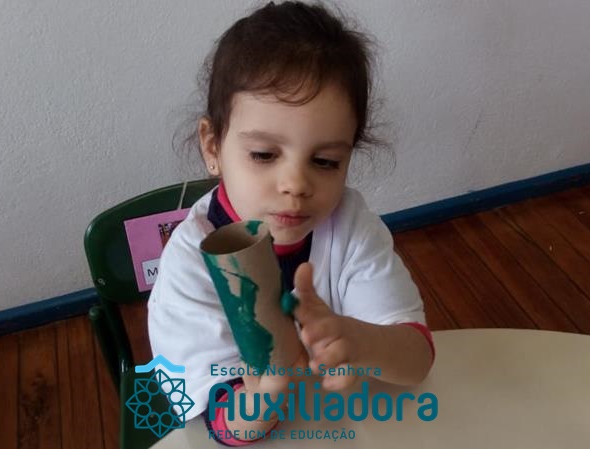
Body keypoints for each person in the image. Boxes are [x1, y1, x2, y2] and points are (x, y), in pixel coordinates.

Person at [148, 1, 434, 445]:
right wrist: (269, 390)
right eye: (264, 155)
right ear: (212, 146)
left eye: (325, 161)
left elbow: (416, 362)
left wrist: (361, 342)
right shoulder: (190, 261)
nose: (296, 185)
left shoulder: (352, 229)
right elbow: (218, 423)